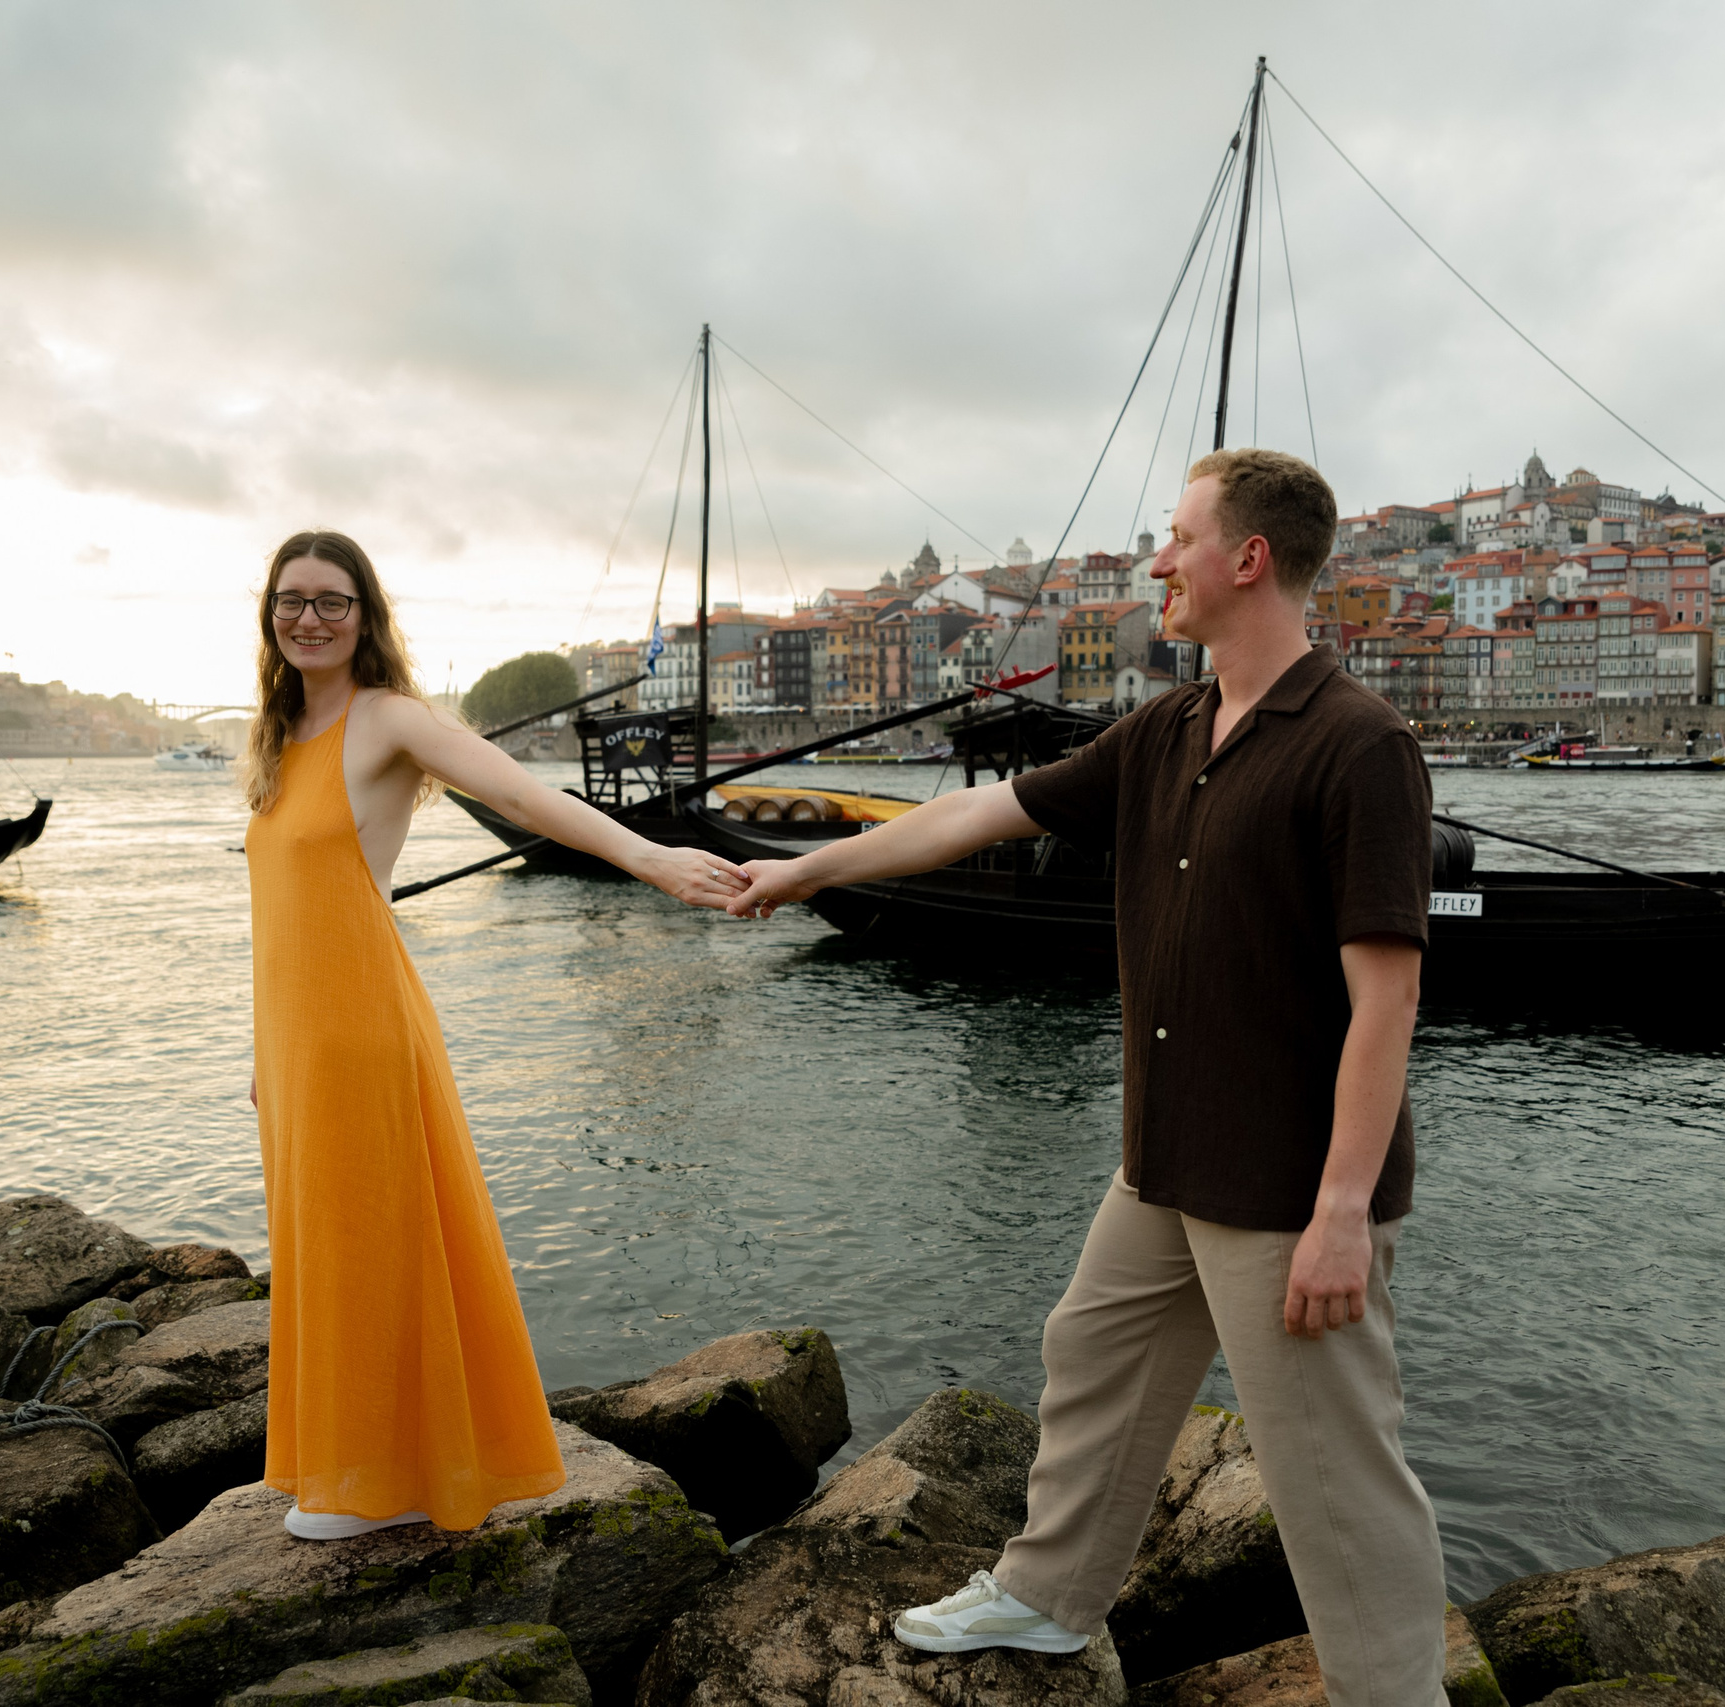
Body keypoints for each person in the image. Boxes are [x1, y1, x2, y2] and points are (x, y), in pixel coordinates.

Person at [727, 451, 1451, 1706]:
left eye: (1176, 538)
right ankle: (1051, 1598)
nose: (1155, 563)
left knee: (1331, 1473)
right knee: (1093, 1355)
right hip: (1167, 1157)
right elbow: (978, 816)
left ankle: (1398, 1695)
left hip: (1284, 1189)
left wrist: (1341, 1216)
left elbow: (1386, 1001)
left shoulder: (1359, 745)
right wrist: (806, 871)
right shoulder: (1167, 729)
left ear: (1249, 559)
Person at [243, 529, 745, 1541]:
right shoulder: (279, 737)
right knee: (323, 1250)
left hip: (361, 1030)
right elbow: (278, 918)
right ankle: (357, 1464)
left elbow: (521, 794)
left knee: (372, 1246)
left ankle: (380, 1483)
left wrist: (649, 859)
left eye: (331, 600)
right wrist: (259, 1057)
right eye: (291, 600)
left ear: (365, 616)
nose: (309, 617)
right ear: (270, 614)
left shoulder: (387, 721)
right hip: (298, 1041)